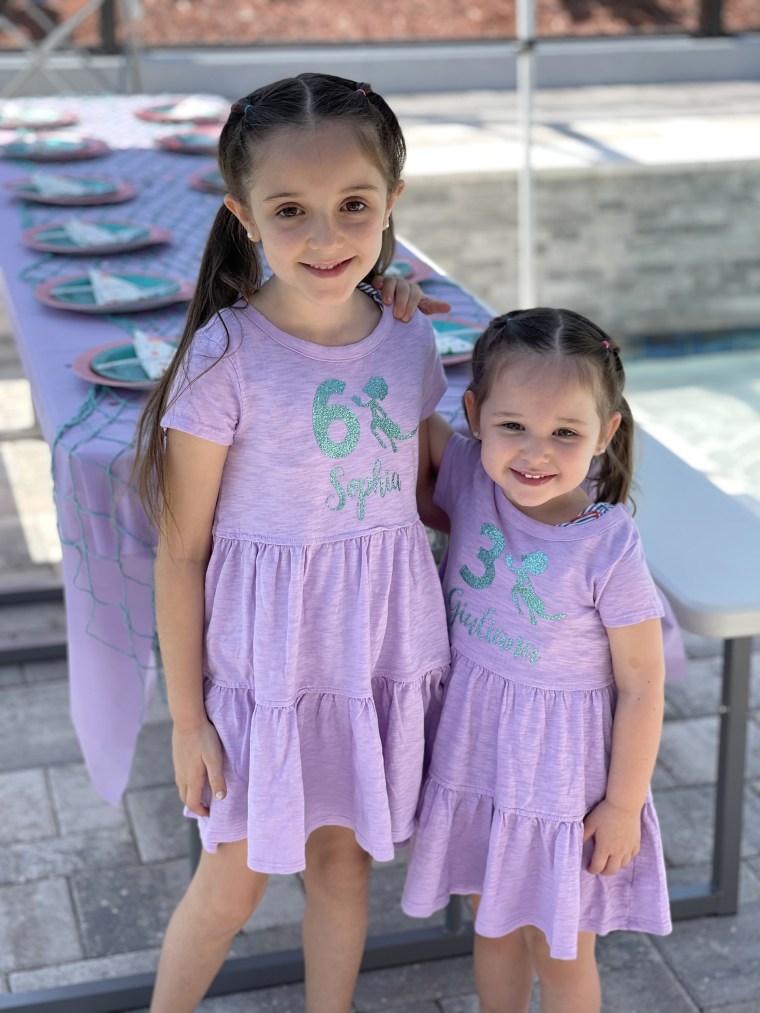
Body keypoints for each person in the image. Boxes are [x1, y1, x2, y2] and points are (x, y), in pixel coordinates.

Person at [134, 72, 452, 1013]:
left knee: (342, 868)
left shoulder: (408, 340)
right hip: (265, 673)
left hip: (369, 659)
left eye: (354, 205)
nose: (326, 237)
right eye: (291, 210)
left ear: (392, 201)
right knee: (231, 885)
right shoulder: (224, 358)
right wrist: (189, 720)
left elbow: (429, 495)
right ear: (244, 215)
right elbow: (180, 552)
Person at [402, 308, 672, 1013]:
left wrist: (621, 803)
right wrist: (385, 297)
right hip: (479, 757)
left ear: (606, 434)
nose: (534, 452)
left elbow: (644, 686)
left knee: (561, 948)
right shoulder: (468, 476)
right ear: (476, 416)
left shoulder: (607, 544)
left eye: (565, 432)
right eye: (513, 424)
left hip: (563, 783)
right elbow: (396, 393)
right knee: (492, 927)